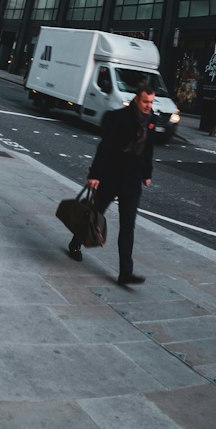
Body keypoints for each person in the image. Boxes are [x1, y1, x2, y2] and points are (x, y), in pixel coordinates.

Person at [68, 81, 156, 285]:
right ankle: (75, 243)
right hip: (111, 178)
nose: (148, 106)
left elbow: (149, 149)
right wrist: (95, 174)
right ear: (136, 98)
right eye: (145, 101)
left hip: (132, 182)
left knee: (128, 226)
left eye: (151, 102)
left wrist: (147, 173)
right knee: (94, 214)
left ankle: (125, 272)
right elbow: (105, 147)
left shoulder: (151, 120)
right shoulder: (119, 117)